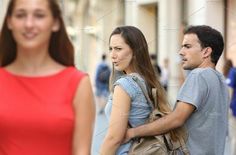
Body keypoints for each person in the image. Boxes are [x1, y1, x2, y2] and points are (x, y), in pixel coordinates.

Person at [0, 0, 95, 155]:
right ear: (9, 21)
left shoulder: (78, 83)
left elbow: (82, 151)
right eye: (20, 15)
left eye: (39, 15)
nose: (29, 24)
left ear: (55, 22)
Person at [124, 25, 230, 155]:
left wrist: (133, 132)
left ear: (206, 52)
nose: (181, 52)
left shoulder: (198, 75)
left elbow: (176, 119)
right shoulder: (220, 80)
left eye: (187, 46)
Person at [100, 26, 184, 155]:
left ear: (135, 51)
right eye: (111, 49)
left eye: (118, 49)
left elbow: (114, 138)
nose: (112, 55)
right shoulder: (148, 80)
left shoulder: (124, 85)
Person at [225, 62, 236, 155]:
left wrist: (228, 106)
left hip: (234, 109)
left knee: (234, 137)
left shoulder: (233, 72)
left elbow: (230, 90)